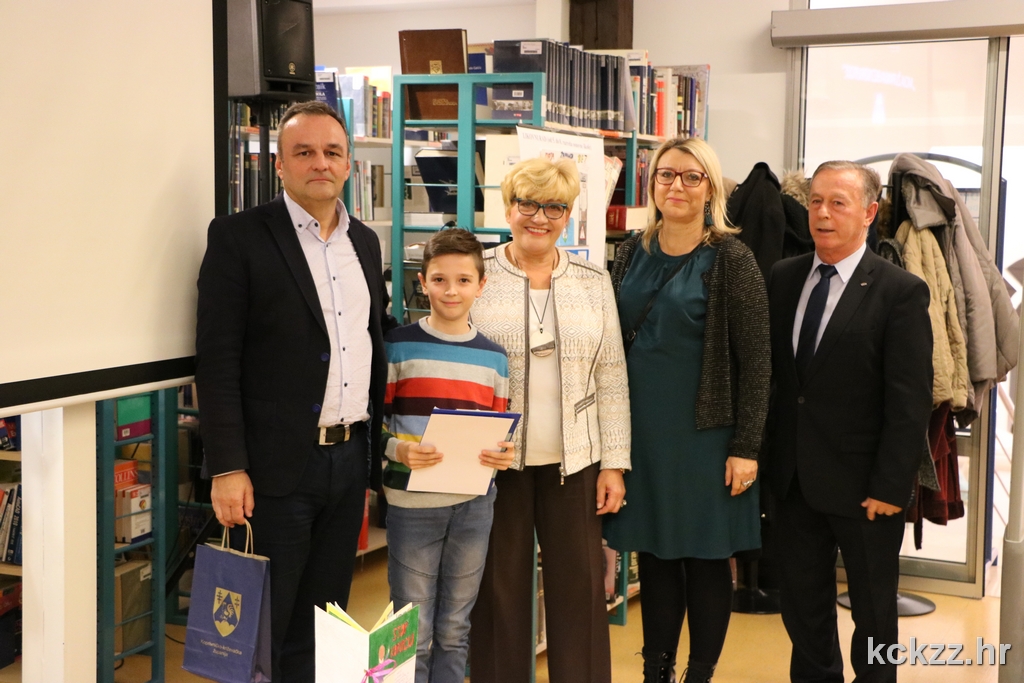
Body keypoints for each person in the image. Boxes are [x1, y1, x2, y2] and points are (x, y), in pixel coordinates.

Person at [194, 100, 395, 682]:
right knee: (260, 631)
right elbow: (217, 360)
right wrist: (227, 466)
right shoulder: (238, 237)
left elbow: (373, 337)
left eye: (332, 152)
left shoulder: (365, 242)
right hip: (272, 468)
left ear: (349, 164)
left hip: (348, 460)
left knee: (324, 622)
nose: (320, 163)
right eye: (304, 152)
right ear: (279, 164)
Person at [604, 137, 771, 683]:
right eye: (666, 175)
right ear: (652, 184)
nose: (677, 185)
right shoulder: (630, 252)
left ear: (710, 188)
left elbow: (758, 361)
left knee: (705, 558)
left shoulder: (732, 259)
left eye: (691, 176)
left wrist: (746, 448)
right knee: (655, 556)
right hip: (642, 434)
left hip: (707, 437)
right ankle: (656, 670)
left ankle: (699, 673)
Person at [764, 161, 932, 683]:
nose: (822, 213)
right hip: (794, 481)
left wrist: (891, 485)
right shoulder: (784, 276)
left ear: (869, 213)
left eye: (838, 203)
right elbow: (783, 384)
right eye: (815, 201)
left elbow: (909, 401)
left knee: (874, 615)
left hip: (865, 489)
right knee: (803, 610)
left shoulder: (899, 291)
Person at [468, 156, 631, 683]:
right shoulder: (477, 273)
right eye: (528, 204)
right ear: (508, 208)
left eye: (554, 207)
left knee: (580, 591)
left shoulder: (593, 280)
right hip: (495, 462)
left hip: (576, 463)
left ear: (568, 215)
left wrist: (615, 463)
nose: (540, 217)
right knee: (499, 592)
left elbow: (611, 374)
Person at [381, 228, 515, 683]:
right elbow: (374, 424)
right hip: (412, 507)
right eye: (439, 280)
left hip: (474, 507)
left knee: (456, 629)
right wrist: (398, 448)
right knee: (412, 631)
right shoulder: (398, 346)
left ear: (481, 285)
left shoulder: (495, 359)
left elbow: (499, 431)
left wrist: (502, 455)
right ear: (422, 283)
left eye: (463, 280)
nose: (451, 291)